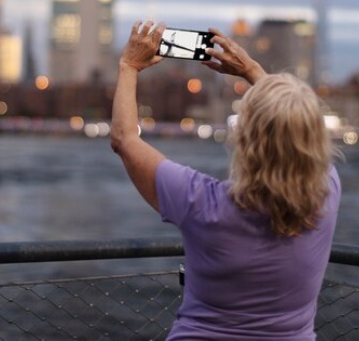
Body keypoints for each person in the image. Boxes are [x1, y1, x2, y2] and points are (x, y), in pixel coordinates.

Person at [110, 21, 341, 340]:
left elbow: (124, 139)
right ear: (313, 139)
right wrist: (252, 70)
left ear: (245, 140)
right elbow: (292, 125)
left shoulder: (202, 202)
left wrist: (129, 66)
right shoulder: (327, 192)